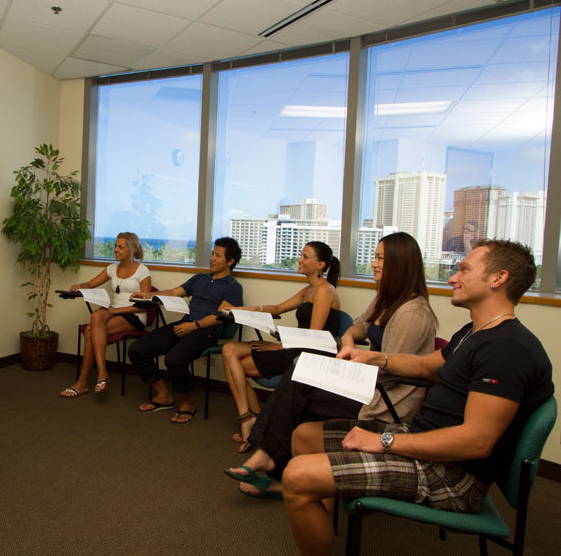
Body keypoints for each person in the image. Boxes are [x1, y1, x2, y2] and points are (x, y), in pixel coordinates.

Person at [282, 239, 553, 556]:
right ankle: (321, 526)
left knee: (297, 476)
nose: (453, 277)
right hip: (424, 440)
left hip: (451, 475)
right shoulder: (474, 332)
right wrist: (376, 358)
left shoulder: (506, 349)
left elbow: (475, 441)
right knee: (304, 436)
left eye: (464, 269)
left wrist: (385, 442)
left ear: (498, 279)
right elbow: (426, 366)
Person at [226, 232, 436, 497]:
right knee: (300, 375)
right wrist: (348, 338)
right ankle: (271, 463)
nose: (373, 264)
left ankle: (269, 460)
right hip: (369, 387)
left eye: (380, 258)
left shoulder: (412, 313)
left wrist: (340, 373)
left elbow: (392, 371)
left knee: (300, 381)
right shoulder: (388, 300)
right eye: (375, 257)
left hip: (384, 402)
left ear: (400, 263)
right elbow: (360, 324)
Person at [222, 241, 341, 452]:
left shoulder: (325, 291)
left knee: (235, 365)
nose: (299, 260)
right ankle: (250, 417)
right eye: (301, 255)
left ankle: (254, 421)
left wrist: (279, 346)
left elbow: (314, 335)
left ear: (321, 264)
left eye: (305, 257)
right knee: (229, 350)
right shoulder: (309, 290)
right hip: (296, 345)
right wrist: (236, 309)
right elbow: (277, 308)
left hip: (310, 351)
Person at [128, 237, 243, 424]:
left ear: (230, 261)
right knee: (138, 349)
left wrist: (195, 326)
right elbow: (174, 292)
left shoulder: (233, 287)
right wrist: (149, 294)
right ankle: (163, 395)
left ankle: (187, 403)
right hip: (186, 324)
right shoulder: (200, 278)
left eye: (218, 255)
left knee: (174, 358)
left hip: (207, 331)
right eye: (213, 254)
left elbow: (219, 316)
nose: (212, 258)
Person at [60, 232, 151, 397]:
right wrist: (78, 286)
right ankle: (102, 373)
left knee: (89, 331)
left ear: (130, 250)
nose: (115, 249)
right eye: (115, 246)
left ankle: (82, 383)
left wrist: (117, 310)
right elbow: (89, 284)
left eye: (120, 247)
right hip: (113, 311)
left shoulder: (142, 271)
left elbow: (144, 305)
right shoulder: (111, 268)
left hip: (133, 315)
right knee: (95, 316)